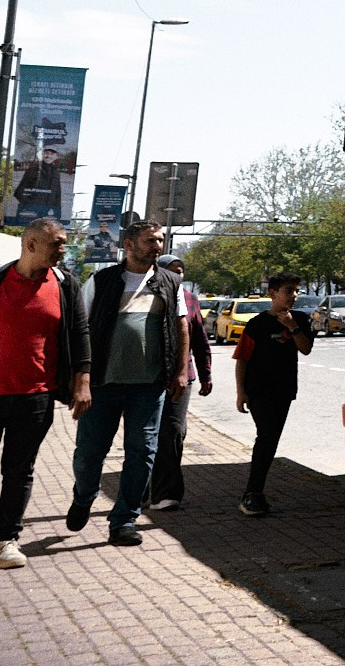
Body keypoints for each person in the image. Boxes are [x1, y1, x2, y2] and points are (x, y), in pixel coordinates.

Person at [68, 219, 189, 547]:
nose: (158, 246)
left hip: (148, 386)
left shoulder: (170, 283)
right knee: (89, 454)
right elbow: (78, 331)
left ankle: (124, 519)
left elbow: (181, 327)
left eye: (161, 240)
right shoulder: (102, 280)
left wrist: (180, 371)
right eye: (151, 240)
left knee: (143, 451)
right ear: (130, 244)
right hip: (103, 385)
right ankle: (84, 496)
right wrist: (81, 378)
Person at [0, 217, 90, 570]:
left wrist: (82, 381)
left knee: (19, 470)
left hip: (35, 397)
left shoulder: (66, 286)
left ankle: (6, 539)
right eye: (58, 243)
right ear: (32, 244)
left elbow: (81, 335)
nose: (64, 249)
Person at [234, 271, 313, 516]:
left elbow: (306, 349)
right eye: (288, 291)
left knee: (271, 440)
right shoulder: (257, 324)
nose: (294, 295)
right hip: (258, 391)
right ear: (273, 294)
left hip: (284, 391)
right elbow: (242, 360)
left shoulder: (299, 319)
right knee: (266, 436)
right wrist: (241, 392)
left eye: (297, 291)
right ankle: (252, 494)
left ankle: (255, 492)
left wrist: (292, 327)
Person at [146, 252, 213, 511]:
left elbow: (200, 341)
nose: (178, 274)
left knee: (173, 430)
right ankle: (142, 489)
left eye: (181, 270)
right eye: (172, 269)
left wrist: (205, 375)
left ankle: (167, 492)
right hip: (148, 375)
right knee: (146, 433)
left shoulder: (190, 299)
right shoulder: (148, 295)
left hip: (182, 376)